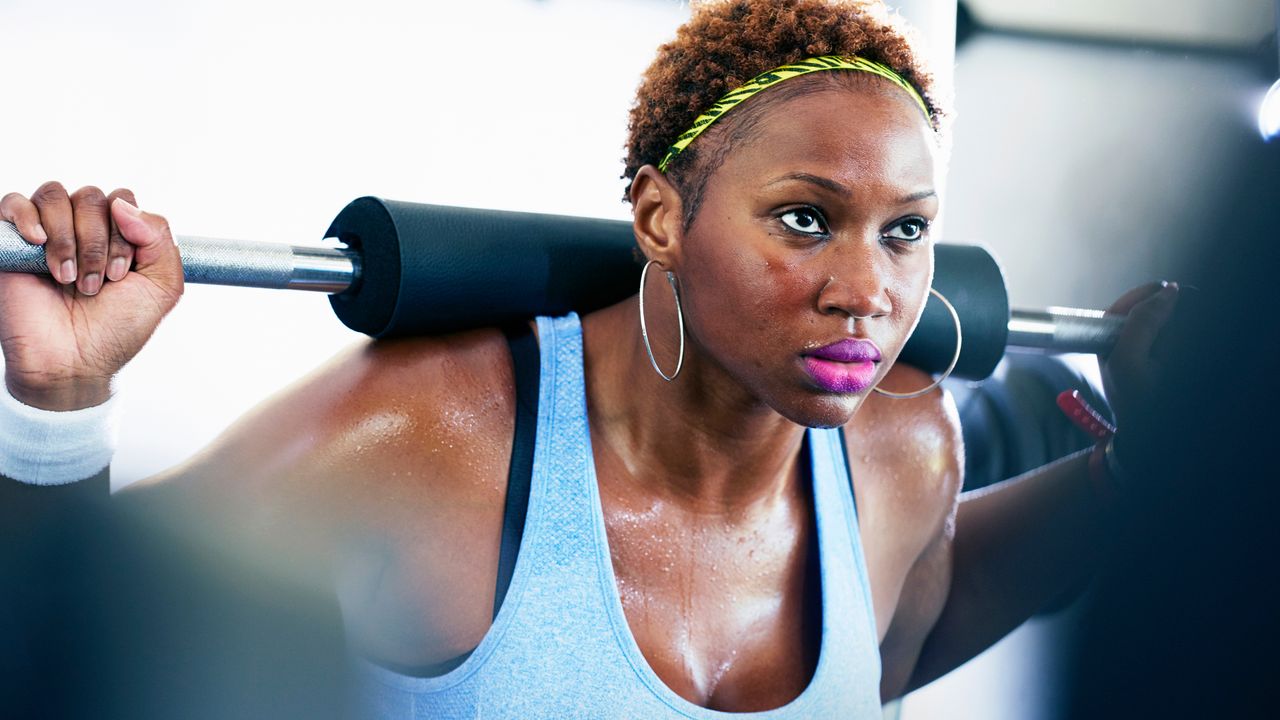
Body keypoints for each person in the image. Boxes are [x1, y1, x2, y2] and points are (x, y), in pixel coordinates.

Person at [0, 0, 1179, 716]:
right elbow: (67, 642)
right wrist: (59, 399)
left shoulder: (906, 448)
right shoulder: (430, 438)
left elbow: (895, 641)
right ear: (661, 218)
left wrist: (1151, 460)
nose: (865, 293)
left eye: (905, 230)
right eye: (804, 218)